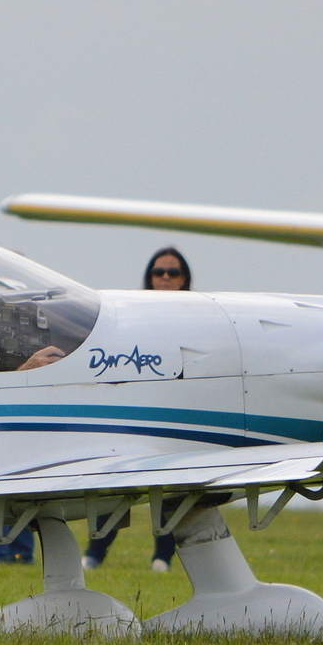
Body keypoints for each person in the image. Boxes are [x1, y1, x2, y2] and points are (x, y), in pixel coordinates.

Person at [83, 245, 193, 572]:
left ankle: (163, 557)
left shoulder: (195, 317)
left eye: (173, 273)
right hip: (139, 410)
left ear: (184, 279)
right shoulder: (133, 315)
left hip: (179, 410)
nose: (165, 278)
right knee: (119, 482)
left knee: (175, 487)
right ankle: (94, 554)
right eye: (158, 272)